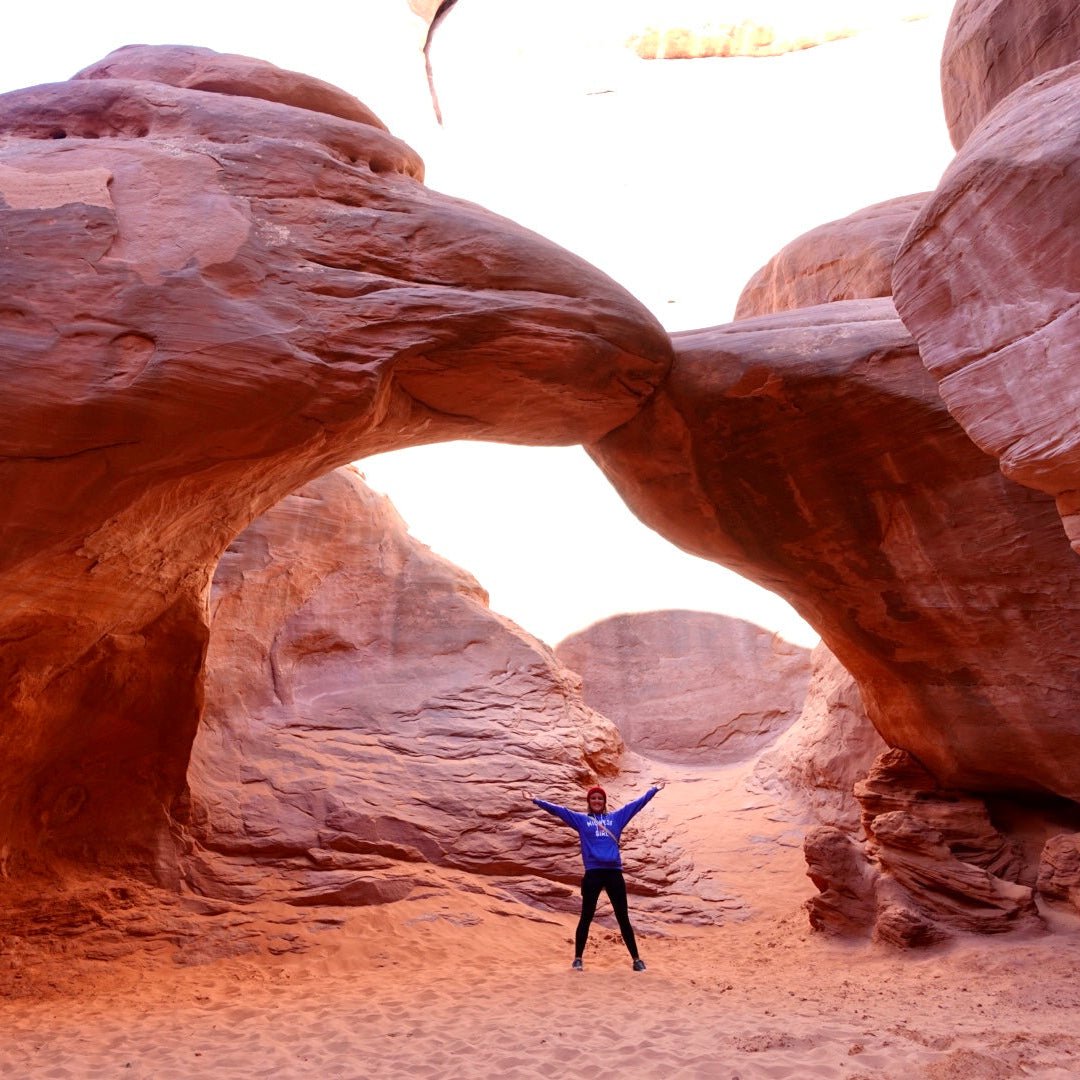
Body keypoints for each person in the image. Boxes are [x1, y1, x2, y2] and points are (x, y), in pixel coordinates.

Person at [529, 782, 663, 972]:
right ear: (589, 802)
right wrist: (536, 800)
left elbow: (636, 805)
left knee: (622, 917)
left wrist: (653, 790)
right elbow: (560, 811)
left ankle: (636, 959)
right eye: (593, 798)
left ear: (604, 801)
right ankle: (577, 958)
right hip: (593, 873)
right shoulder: (582, 821)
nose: (597, 801)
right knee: (586, 916)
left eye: (600, 798)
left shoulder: (617, 818)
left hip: (614, 873)